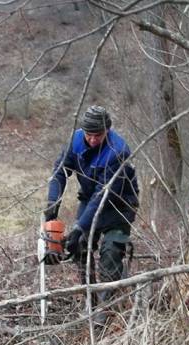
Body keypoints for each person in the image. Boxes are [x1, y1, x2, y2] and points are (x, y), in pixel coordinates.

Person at [44, 105, 139, 324]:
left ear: (107, 131)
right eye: (89, 135)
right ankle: (91, 298)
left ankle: (104, 311)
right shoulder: (75, 141)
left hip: (119, 204)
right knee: (79, 246)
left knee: (111, 250)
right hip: (89, 199)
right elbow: (59, 172)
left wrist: (80, 227)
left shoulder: (118, 152)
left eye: (98, 135)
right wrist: (53, 202)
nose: (93, 140)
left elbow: (102, 195)